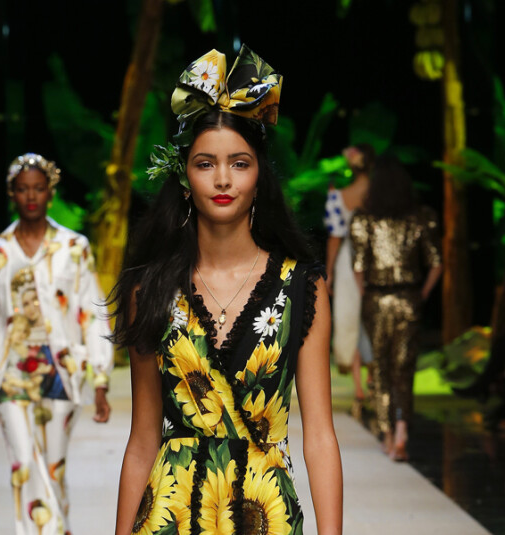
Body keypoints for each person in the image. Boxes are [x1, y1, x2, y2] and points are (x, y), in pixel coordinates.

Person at [110, 46, 343, 535]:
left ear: (260, 176)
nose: (222, 179)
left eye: (239, 163)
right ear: (184, 175)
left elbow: (320, 435)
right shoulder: (149, 289)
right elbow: (143, 438)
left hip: (267, 516)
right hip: (169, 517)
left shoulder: (302, 287)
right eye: (205, 164)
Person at [0, 153, 113, 535]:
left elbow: (91, 310)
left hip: (61, 370)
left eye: (38, 188)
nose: (31, 196)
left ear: (50, 192)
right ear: (11, 193)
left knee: (53, 468)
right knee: (23, 462)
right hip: (9, 370)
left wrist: (100, 378)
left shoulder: (74, 247)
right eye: (23, 189)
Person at [350, 155, 442, 461]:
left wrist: (365, 294)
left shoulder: (365, 220)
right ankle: (401, 432)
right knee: (405, 366)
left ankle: (387, 434)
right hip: (409, 298)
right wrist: (421, 294)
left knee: (381, 366)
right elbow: (436, 263)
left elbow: (359, 265)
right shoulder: (421, 217)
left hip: (376, 298)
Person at [323, 143, 375, 418]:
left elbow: (335, 237)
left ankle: (359, 387)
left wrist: (330, 273)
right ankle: (374, 380)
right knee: (374, 319)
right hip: (378, 259)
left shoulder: (338, 196)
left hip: (347, 261)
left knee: (350, 321)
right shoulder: (381, 195)